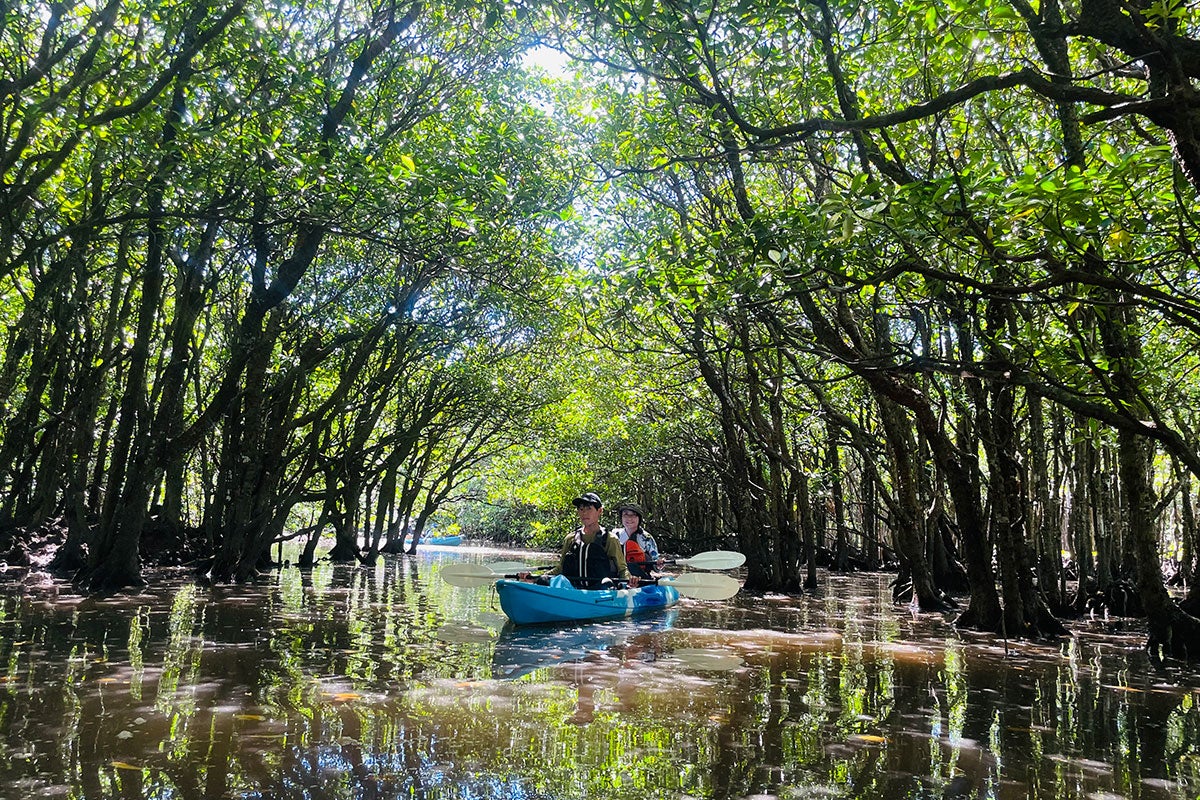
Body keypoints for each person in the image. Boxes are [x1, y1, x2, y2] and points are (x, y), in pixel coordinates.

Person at [539, 492, 637, 588]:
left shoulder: (610, 539)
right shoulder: (570, 539)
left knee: (607, 582)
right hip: (573, 589)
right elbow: (560, 568)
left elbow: (622, 569)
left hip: (600, 591)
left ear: (599, 511)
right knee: (546, 580)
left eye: (589, 509)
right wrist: (539, 577)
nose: (584, 513)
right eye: (581, 509)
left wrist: (629, 582)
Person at [613, 502, 663, 579]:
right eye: (625, 514)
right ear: (621, 518)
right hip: (618, 576)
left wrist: (659, 564)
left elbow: (656, 565)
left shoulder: (646, 538)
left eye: (633, 515)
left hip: (640, 576)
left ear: (639, 518)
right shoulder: (615, 534)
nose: (629, 518)